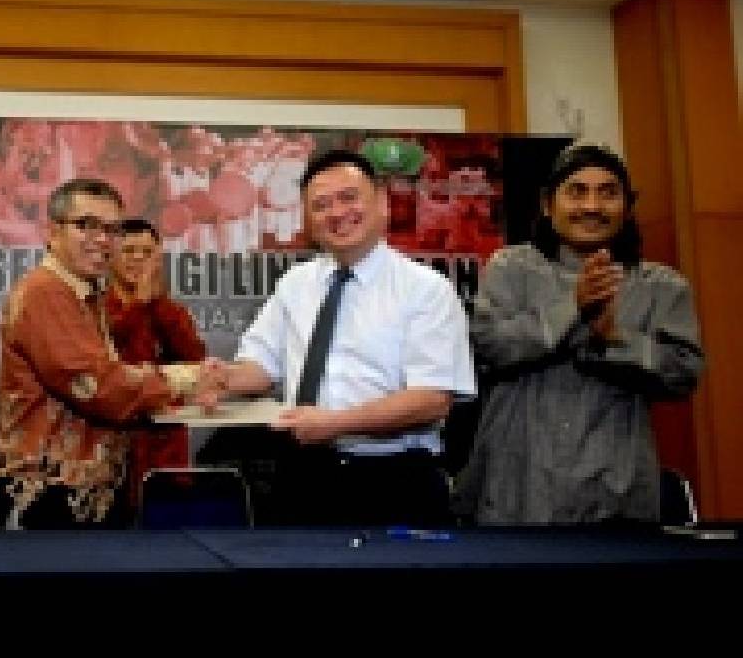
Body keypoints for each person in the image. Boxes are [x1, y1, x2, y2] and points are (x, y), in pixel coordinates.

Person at [196, 148, 475, 526]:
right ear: (308, 220)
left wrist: (335, 423)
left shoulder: (426, 290)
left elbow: (431, 401)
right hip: (302, 477)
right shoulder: (296, 284)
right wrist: (226, 378)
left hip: (394, 480)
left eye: (348, 197)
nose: (337, 213)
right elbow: (261, 366)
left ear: (382, 202)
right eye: (321, 205)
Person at [456, 143, 703, 524]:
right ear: (547, 204)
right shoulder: (511, 269)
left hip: (617, 488)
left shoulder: (661, 286)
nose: (591, 206)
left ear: (628, 207)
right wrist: (572, 307)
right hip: (516, 486)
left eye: (608, 193)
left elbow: (683, 374)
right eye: (577, 191)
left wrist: (614, 340)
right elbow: (488, 346)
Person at [0, 179, 196, 528]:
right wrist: (189, 380)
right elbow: (98, 386)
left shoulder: (86, 296)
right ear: (53, 232)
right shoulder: (45, 293)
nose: (102, 239)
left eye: (112, 230)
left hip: (83, 494)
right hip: (45, 496)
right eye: (86, 225)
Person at [106, 218, 207, 507]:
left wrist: (156, 303)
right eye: (129, 251)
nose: (139, 259)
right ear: (110, 256)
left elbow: (195, 360)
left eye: (147, 252)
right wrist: (139, 303)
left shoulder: (171, 311)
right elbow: (108, 354)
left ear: (159, 258)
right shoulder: (96, 308)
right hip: (114, 439)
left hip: (166, 441)